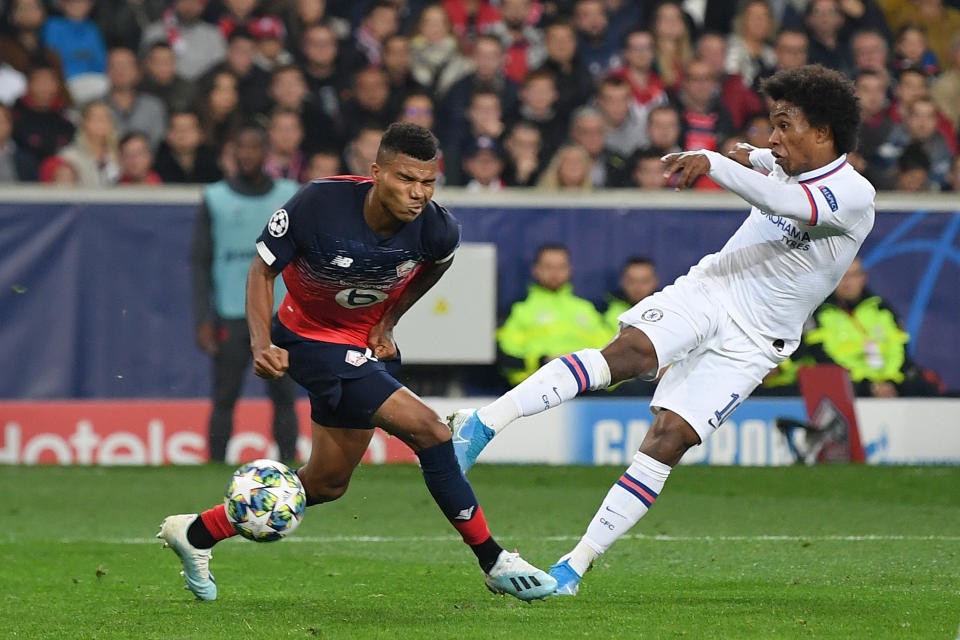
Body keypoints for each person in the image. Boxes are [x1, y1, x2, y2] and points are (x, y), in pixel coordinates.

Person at [447, 64, 874, 596]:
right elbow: (758, 157)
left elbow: (789, 203)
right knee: (628, 354)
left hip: (756, 342)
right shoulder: (784, 159)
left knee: (668, 440)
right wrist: (744, 154)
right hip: (712, 290)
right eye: (772, 123)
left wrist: (717, 161)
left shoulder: (853, 195)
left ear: (823, 133)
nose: (774, 137)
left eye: (784, 125)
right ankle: (481, 424)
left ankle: (571, 569)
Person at [158, 122, 556, 603]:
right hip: (307, 339)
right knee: (431, 431)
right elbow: (263, 270)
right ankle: (494, 560)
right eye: (406, 179)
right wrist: (261, 342)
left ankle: (198, 533)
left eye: (428, 182)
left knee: (326, 483)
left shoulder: (438, 229)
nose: (417, 193)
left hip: (363, 347)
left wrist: (388, 320)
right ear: (376, 173)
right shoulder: (319, 203)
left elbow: (437, 264)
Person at [189, 123, 301, 464]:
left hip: (280, 313)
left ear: (266, 153)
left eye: (254, 147)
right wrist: (203, 317)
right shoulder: (215, 198)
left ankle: (288, 466)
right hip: (231, 311)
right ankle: (214, 465)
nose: (248, 154)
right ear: (232, 153)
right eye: (242, 147)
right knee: (224, 396)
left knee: (283, 394)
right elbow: (200, 261)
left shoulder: (289, 193)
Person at [496, 244, 609, 386]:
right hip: (536, 389)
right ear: (535, 270)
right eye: (548, 267)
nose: (555, 273)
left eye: (561, 267)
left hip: (584, 388)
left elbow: (606, 352)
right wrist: (542, 362)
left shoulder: (586, 309)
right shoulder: (520, 309)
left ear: (569, 270)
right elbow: (505, 357)